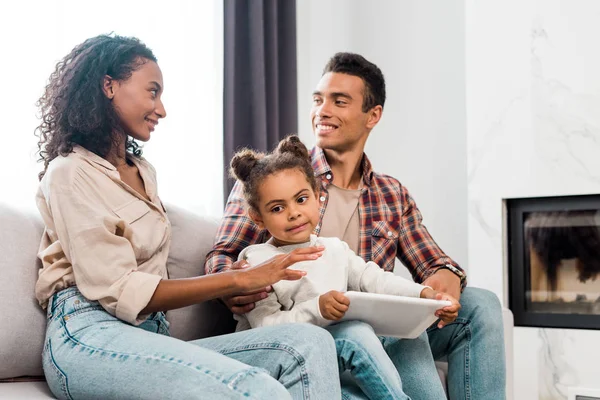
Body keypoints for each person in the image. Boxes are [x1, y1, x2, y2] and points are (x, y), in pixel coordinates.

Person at [34, 34, 341, 400]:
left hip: (149, 335)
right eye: (152, 92)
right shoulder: (69, 172)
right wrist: (236, 281)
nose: (161, 109)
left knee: (309, 342)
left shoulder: (143, 171)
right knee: (253, 388)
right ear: (109, 86)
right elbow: (121, 291)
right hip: (87, 333)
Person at [206, 52, 507, 400]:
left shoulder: (391, 193)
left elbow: (431, 263)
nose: (323, 111)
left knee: (481, 304)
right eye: (318, 100)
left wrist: (442, 282)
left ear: (372, 115)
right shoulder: (275, 180)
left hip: (380, 323)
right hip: (317, 326)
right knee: (387, 334)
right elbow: (223, 255)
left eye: (339, 101)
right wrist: (237, 284)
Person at [227, 134, 461, 400]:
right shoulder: (257, 261)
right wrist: (318, 309)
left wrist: (423, 296)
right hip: (290, 355)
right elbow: (265, 327)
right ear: (258, 218)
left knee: (406, 334)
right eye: (278, 208)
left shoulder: (334, 249)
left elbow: (375, 279)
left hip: (337, 353)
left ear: (317, 197)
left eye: (301, 199)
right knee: (355, 332)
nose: (293, 213)